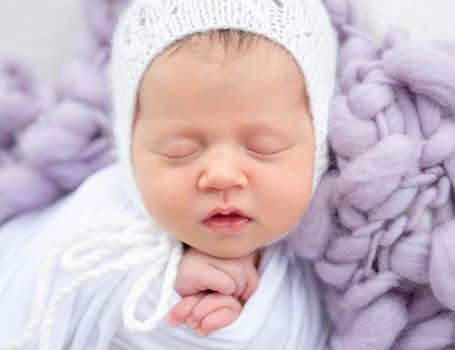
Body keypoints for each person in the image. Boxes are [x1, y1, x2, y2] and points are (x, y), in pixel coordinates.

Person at [0, 0, 337, 349]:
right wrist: (161, 279)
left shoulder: (325, 268)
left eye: (264, 147)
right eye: (179, 151)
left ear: (317, 146)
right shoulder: (96, 229)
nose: (221, 176)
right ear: (129, 152)